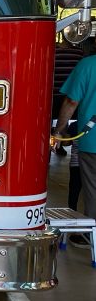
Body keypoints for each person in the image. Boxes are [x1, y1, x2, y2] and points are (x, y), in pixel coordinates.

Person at [53, 53, 96, 248]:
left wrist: (59, 130)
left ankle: (90, 237)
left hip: (92, 142)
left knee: (93, 192)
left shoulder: (88, 65)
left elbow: (71, 102)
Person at [51, 42, 84, 155]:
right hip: (72, 92)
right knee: (66, 116)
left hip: (53, 94)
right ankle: (62, 140)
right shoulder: (79, 52)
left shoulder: (52, 50)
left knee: (49, 122)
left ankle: (53, 145)